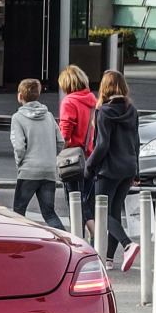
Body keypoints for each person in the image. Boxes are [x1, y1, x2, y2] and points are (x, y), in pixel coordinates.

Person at [86, 70, 142, 272]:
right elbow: (136, 142)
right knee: (114, 211)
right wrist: (137, 172)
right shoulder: (132, 110)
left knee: (100, 211)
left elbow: (102, 146)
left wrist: (89, 167)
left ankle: (127, 244)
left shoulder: (103, 112)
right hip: (128, 168)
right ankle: (108, 259)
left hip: (109, 169)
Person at [10, 78, 65, 229]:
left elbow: (19, 146)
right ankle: (66, 241)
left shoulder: (18, 118)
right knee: (49, 213)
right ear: (38, 94)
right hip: (48, 170)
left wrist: (20, 163)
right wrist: (49, 157)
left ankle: (20, 245)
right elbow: (60, 141)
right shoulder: (48, 116)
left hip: (29, 171)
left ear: (20, 95)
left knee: (18, 212)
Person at [57, 64, 97, 237]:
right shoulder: (92, 100)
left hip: (73, 159)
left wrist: (59, 152)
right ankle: (95, 238)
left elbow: (65, 133)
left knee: (74, 202)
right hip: (90, 157)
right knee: (85, 201)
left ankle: (88, 238)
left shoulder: (69, 102)